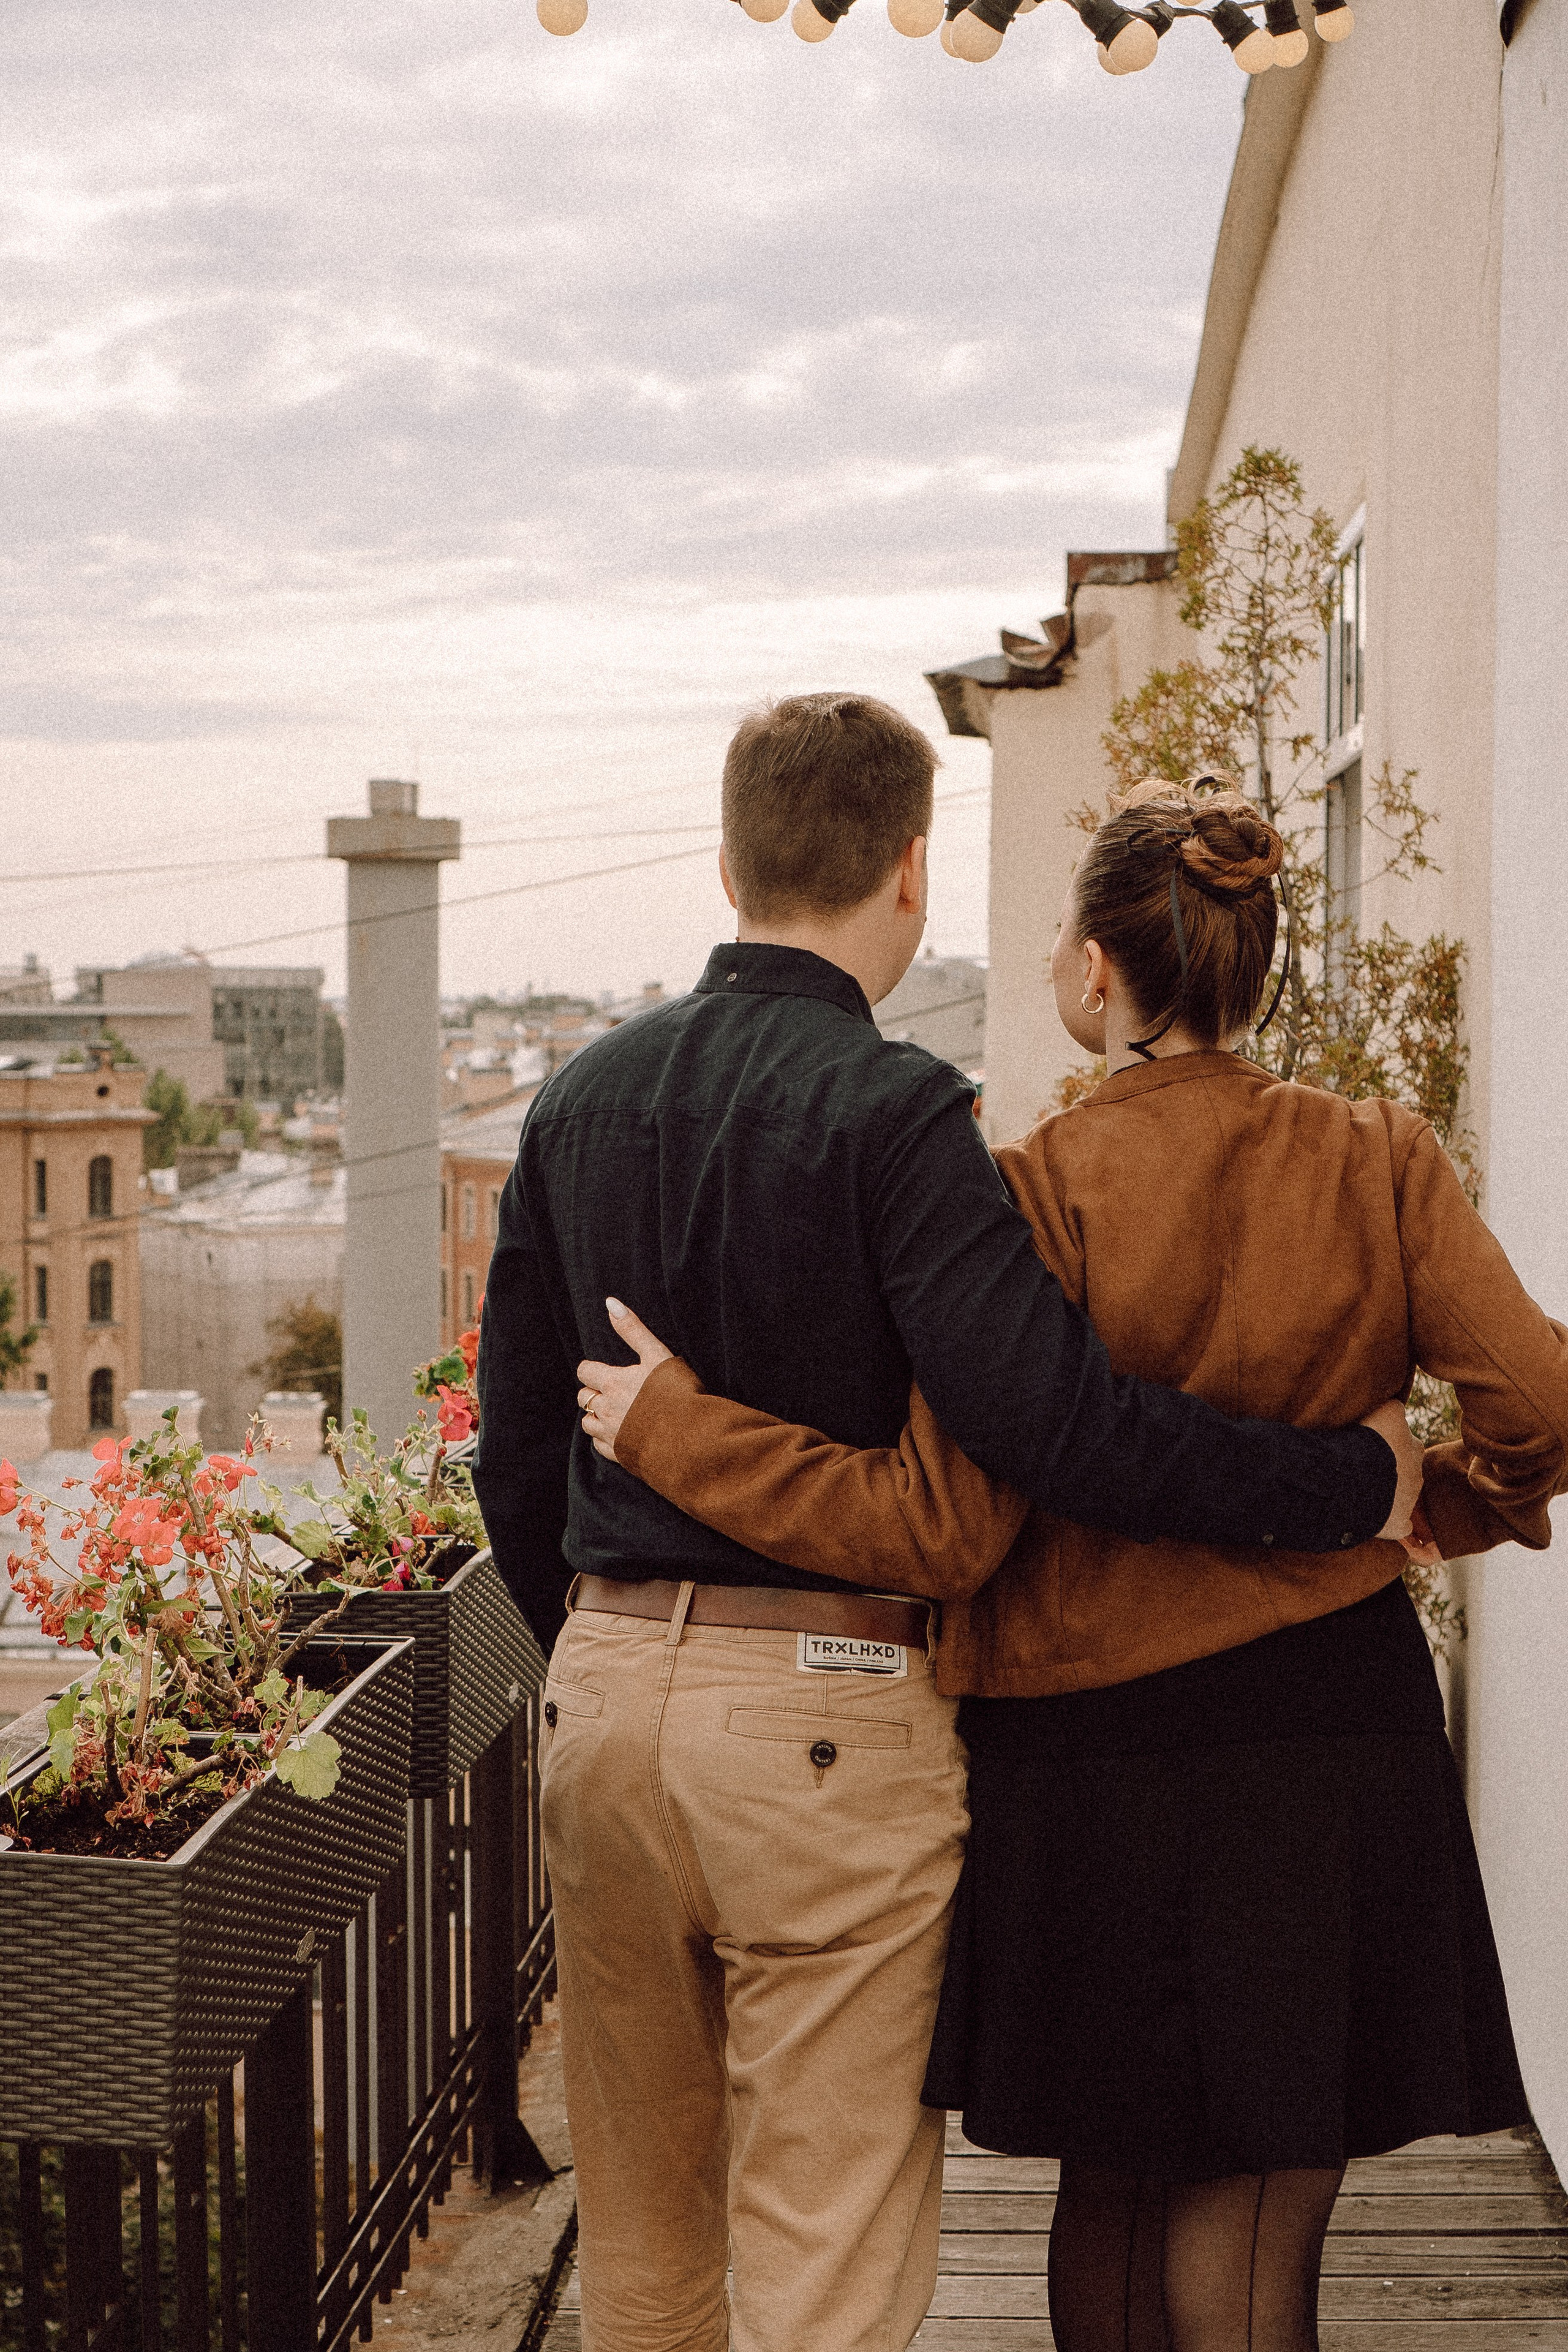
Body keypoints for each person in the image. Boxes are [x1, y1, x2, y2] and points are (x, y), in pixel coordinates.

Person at [575, 778, 1568, 2352]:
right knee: (1259, 2213)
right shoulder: (1374, 1159)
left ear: (1097, 974)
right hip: (1323, 1731)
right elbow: (1542, 1401)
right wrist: (1433, 1499)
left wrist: (680, 1436)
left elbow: (938, 1523)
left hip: (1083, 1752)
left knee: (1108, 2190)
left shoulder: (1027, 1188)